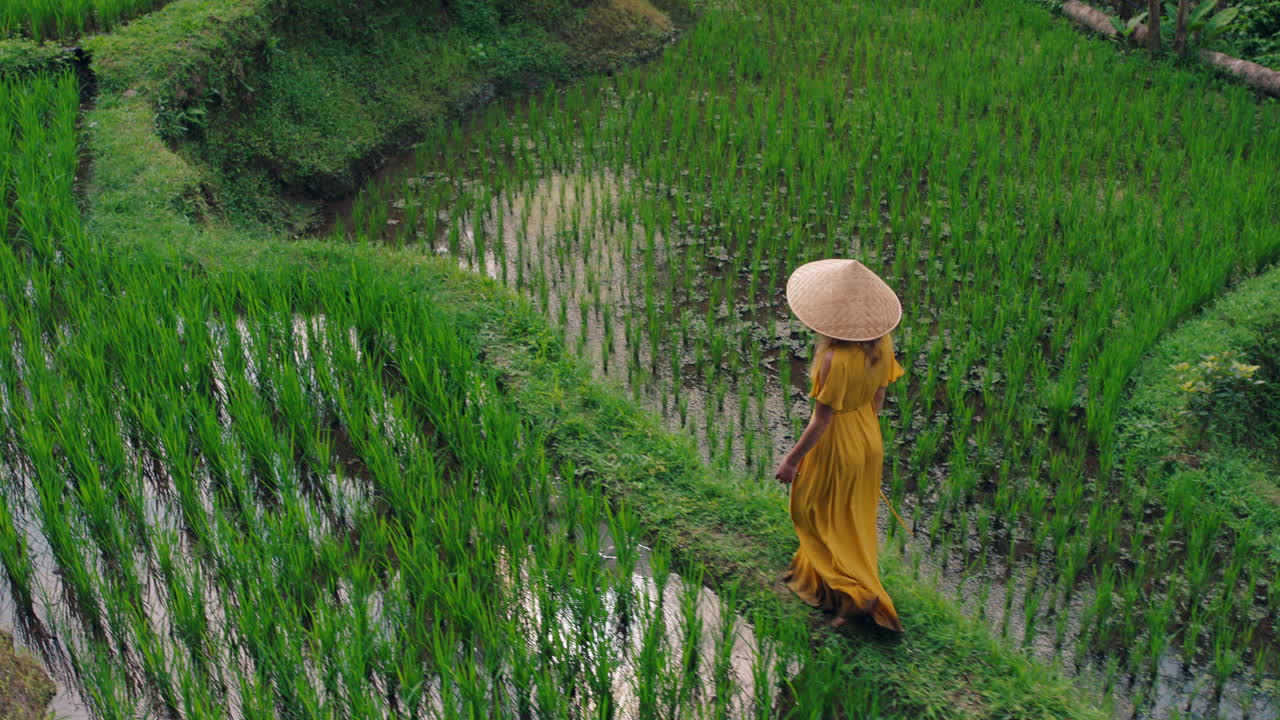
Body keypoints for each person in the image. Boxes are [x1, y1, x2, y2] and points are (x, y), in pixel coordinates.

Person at [774, 258, 906, 631]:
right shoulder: (881, 344)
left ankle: (857, 596)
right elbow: (878, 398)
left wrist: (791, 461)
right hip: (868, 438)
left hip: (837, 443)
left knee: (809, 511)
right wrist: (864, 433)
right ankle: (816, 578)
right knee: (850, 518)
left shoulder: (834, 358)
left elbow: (822, 421)